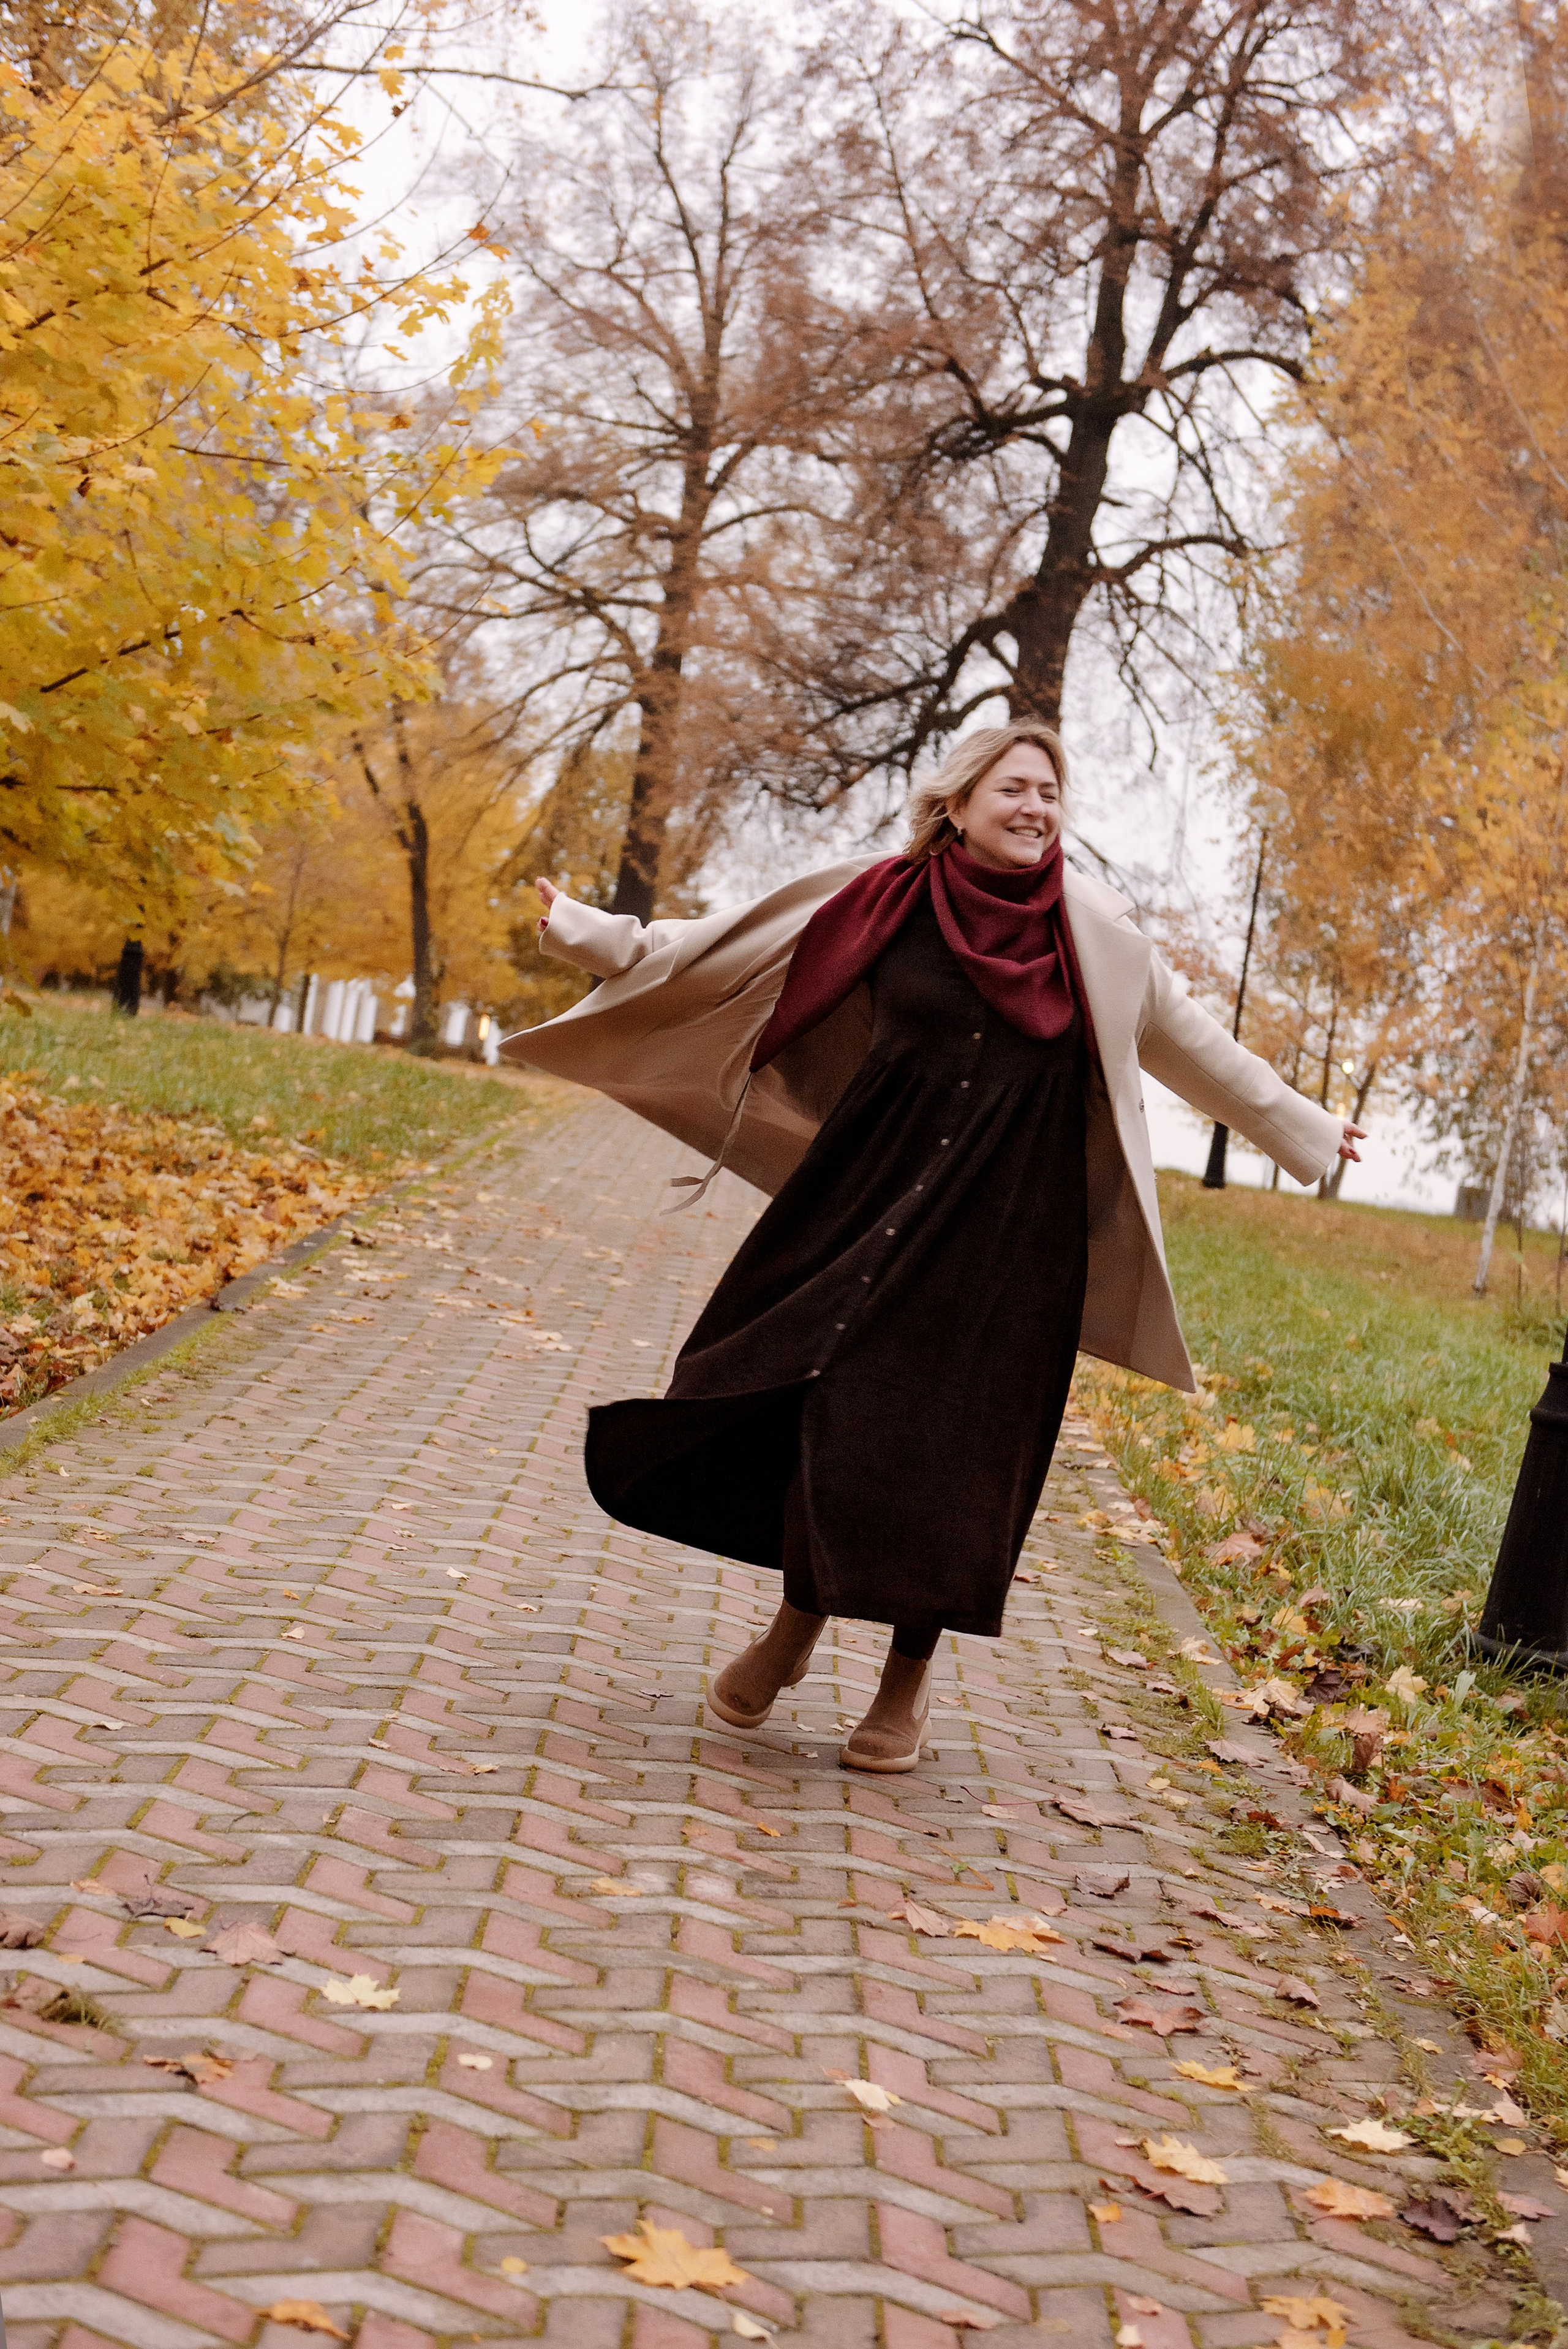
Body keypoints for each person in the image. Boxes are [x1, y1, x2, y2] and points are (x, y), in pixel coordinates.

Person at [505, 723, 1362, 1772]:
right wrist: (595, 935)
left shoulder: (1098, 939)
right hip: (868, 1198)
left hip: (1015, 1235)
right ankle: (793, 1631)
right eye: (1014, 788)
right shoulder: (881, 900)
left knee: (960, 1452)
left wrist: (1308, 1131)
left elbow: (1198, 1049)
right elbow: (715, 947)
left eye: (1051, 790)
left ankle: (904, 1685)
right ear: (957, 804)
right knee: (824, 1401)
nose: (1036, 807)